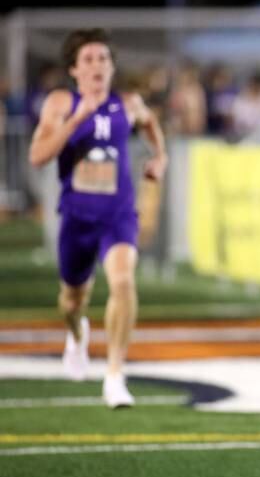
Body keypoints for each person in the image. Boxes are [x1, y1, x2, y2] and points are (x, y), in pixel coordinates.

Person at [28, 29, 168, 408]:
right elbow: (38, 155)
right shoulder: (61, 103)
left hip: (117, 214)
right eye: (88, 60)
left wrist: (160, 157)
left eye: (103, 59)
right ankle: (77, 335)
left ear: (112, 67)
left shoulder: (128, 103)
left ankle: (115, 376)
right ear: (74, 69)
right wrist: (77, 120)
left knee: (123, 283)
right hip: (77, 217)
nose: (97, 66)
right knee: (72, 302)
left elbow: (150, 124)